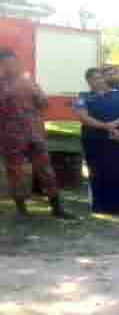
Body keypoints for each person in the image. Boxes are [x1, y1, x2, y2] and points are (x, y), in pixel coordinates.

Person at [0, 47, 73, 219]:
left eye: (13, 63)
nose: (11, 67)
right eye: (6, 64)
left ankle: (57, 208)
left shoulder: (30, 82)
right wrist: (9, 93)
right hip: (11, 136)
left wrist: (36, 92)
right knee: (15, 172)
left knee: (46, 170)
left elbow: (44, 104)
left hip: (35, 134)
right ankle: (21, 210)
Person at [74, 67, 119, 214]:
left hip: (117, 137)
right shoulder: (83, 97)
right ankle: (100, 205)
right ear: (88, 81)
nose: (98, 81)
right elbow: (83, 117)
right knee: (97, 171)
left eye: (100, 77)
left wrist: (114, 125)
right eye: (94, 78)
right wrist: (107, 127)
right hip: (94, 140)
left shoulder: (118, 95)